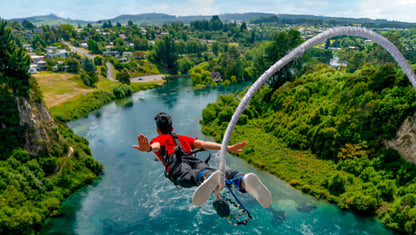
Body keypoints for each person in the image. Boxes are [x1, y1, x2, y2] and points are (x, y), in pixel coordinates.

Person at [133, 112, 271, 208]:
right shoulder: (181, 138)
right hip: (196, 162)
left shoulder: (158, 139)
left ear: (158, 130)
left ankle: (207, 177)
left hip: (178, 167)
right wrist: (227, 147)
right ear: (172, 128)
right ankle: (242, 179)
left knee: (188, 177)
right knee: (220, 174)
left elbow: (156, 147)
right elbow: (203, 144)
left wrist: (148, 148)